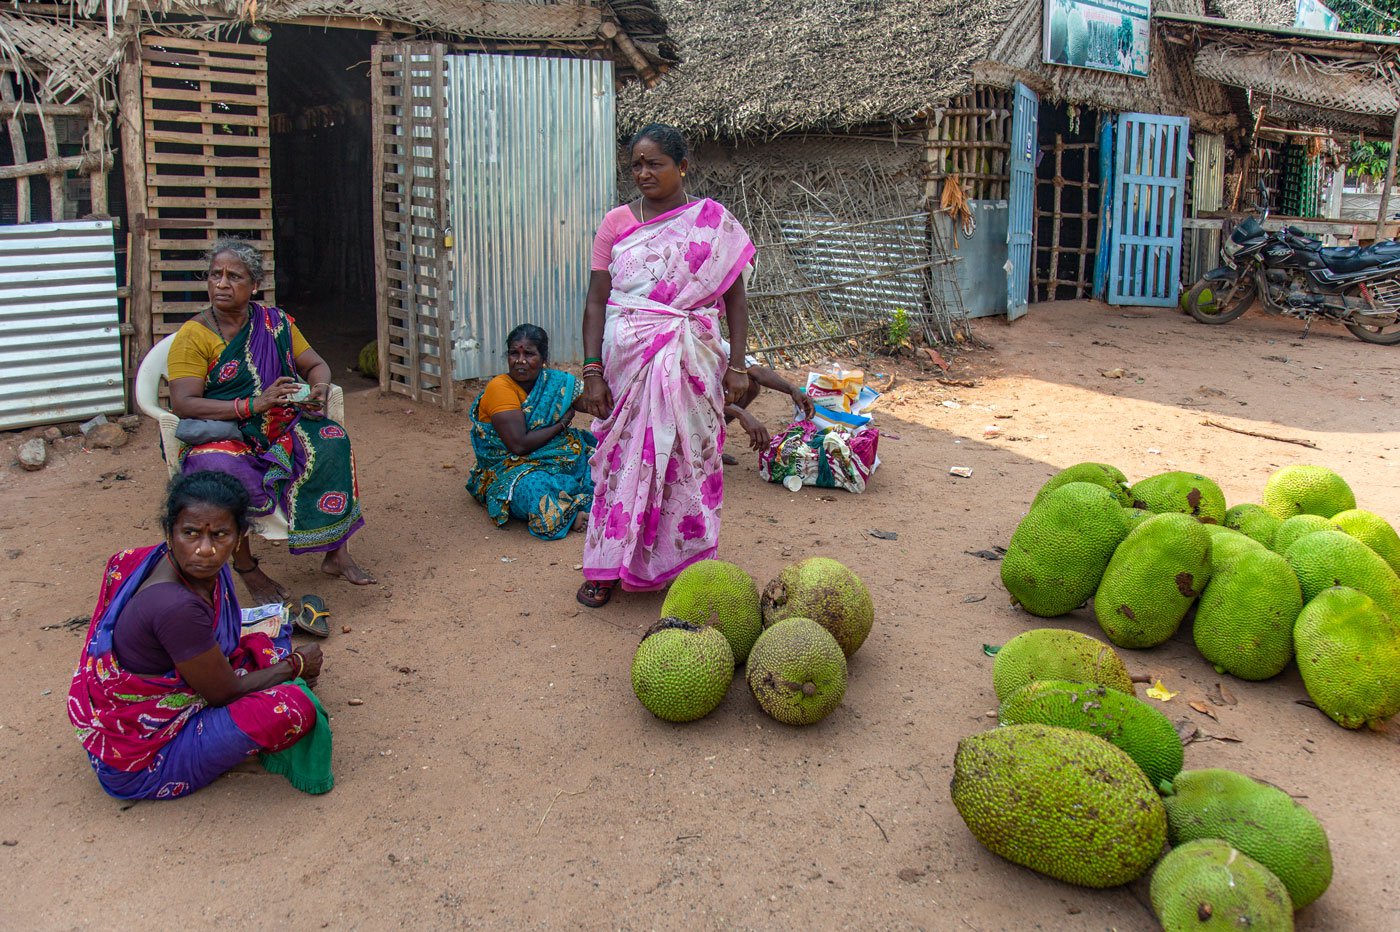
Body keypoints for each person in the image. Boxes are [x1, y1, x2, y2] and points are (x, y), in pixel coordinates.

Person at [575, 123, 755, 607]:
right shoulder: (616, 223)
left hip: (692, 359)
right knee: (620, 462)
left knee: (688, 461)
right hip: (627, 361)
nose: (643, 173)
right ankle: (607, 563)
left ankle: (685, 564)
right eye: (636, 164)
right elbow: (597, 300)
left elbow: (735, 302)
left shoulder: (713, 222)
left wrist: (737, 365)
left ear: (683, 166)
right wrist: (591, 371)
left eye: (654, 163)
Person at [67, 472, 330, 800]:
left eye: (220, 535)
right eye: (190, 533)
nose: (205, 550)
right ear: (170, 532)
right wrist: (296, 665)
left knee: (267, 640)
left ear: (239, 538)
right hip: (141, 760)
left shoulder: (179, 567)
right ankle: (214, 750)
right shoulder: (175, 606)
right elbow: (225, 692)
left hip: (142, 710)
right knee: (293, 706)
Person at [166, 237, 374, 602]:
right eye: (215, 275)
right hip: (227, 429)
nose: (221, 284)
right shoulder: (194, 336)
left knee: (331, 440)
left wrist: (319, 390)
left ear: (255, 285)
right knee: (216, 470)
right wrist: (251, 406)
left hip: (280, 424)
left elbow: (315, 364)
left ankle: (336, 552)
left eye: (234, 276)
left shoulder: (274, 322)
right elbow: (183, 402)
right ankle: (247, 567)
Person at [466, 324, 597, 539]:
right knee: (534, 488)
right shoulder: (500, 388)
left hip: (559, 459)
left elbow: (595, 404)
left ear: (543, 357)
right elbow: (518, 445)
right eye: (513, 353)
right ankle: (572, 514)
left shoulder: (555, 383)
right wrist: (562, 424)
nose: (520, 361)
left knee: (604, 461)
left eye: (529, 354)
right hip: (512, 468)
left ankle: (576, 502)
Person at [721, 343, 817, 464]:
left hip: (708, 400)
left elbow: (756, 370)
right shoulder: (693, 339)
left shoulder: (715, 338)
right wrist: (741, 414)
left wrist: (792, 389)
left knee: (750, 384)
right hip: (691, 407)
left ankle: (710, 443)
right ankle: (696, 447)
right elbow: (700, 394)